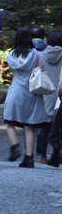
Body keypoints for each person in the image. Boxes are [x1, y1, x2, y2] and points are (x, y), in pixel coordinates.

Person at [3, 27, 51, 165]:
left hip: (16, 90)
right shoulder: (37, 54)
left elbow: (14, 70)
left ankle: (15, 147)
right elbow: (42, 69)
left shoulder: (11, 54)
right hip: (32, 91)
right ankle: (29, 158)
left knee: (10, 121)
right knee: (29, 126)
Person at [32, 30, 62, 162]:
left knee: (44, 125)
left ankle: (43, 156)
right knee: (59, 126)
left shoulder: (41, 55)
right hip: (60, 94)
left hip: (45, 92)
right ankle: (56, 155)